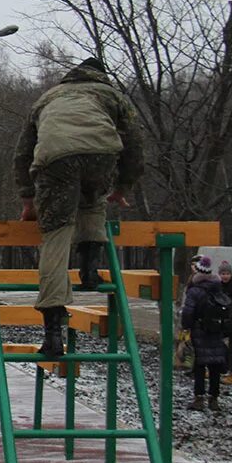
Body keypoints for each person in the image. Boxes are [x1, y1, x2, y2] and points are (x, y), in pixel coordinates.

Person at [13, 56, 145, 360]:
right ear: (100, 76)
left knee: (56, 234)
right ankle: (89, 270)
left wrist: (28, 200)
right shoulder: (112, 95)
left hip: (55, 160)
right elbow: (135, 143)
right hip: (101, 155)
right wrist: (123, 186)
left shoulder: (47, 99)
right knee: (94, 197)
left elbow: (22, 154)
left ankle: (52, 331)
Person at [181, 255, 228, 411]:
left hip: (199, 330)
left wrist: (186, 327)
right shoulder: (218, 288)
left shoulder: (194, 291)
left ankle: (199, 398)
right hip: (216, 331)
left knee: (200, 365)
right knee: (215, 365)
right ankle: (214, 399)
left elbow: (188, 312)